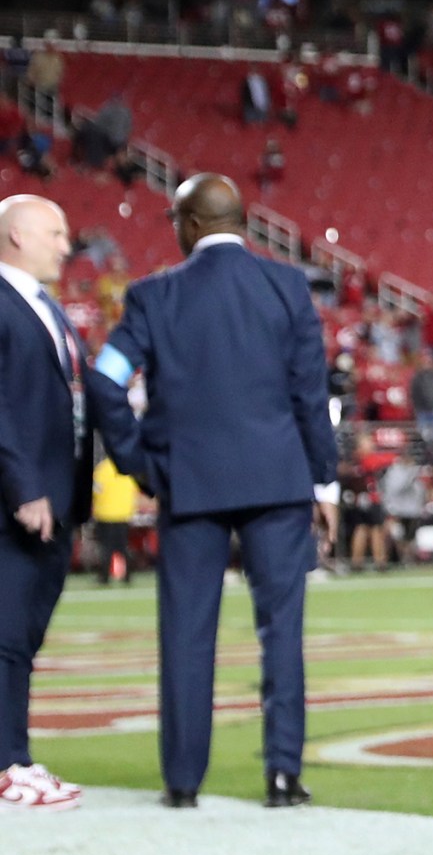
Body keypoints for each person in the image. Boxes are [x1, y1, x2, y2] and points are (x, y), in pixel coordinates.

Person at [86, 175, 337, 811]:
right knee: (282, 630)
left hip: (188, 484)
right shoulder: (286, 287)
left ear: (191, 224)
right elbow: (312, 396)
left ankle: (183, 780)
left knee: (187, 633)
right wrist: (324, 482)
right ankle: (282, 775)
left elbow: (105, 382)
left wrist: (141, 463)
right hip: (278, 482)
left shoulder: (153, 295)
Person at [0, 195, 92, 811]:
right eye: (54, 232)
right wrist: (22, 486)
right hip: (19, 504)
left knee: (22, 640)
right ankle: (8, 762)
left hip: (55, 502)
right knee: (6, 637)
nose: (66, 244)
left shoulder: (44, 306)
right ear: (13, 235)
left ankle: (15, 756)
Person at [92, 453, 139, 586]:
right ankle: (128, 576)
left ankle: (104, 577)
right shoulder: (128, 468)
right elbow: (135, 489)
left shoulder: (102, 469)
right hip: (123, 514)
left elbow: (96, 490)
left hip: (105, 514)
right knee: (123, 547)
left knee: (106, 547)